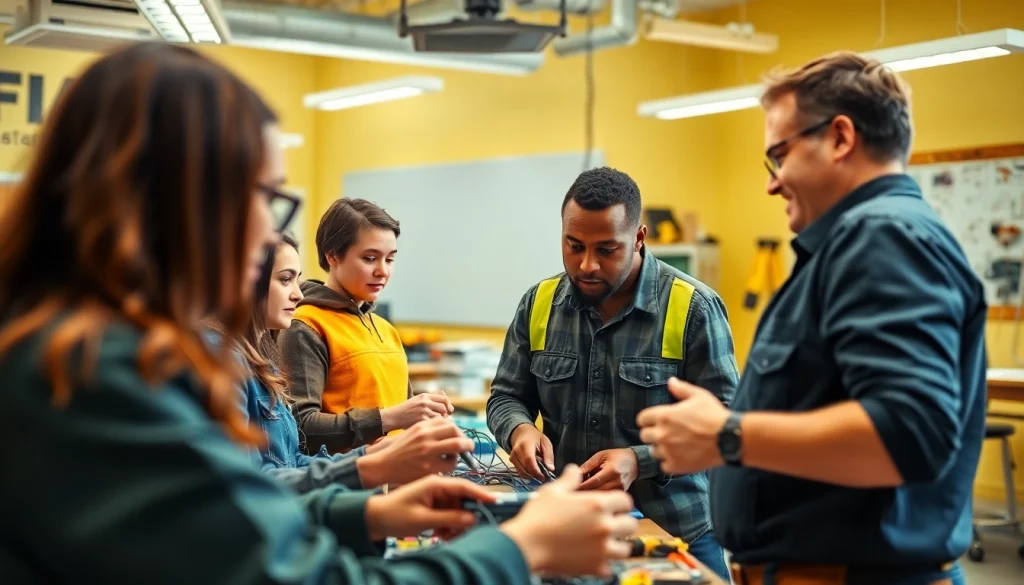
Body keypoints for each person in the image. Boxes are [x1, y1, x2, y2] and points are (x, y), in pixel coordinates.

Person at [0, 42, 639, 584]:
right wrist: (519, 549)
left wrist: (365, 511)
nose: (270, 230)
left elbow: (229, 514)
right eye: (266, 197)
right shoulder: (93, 374)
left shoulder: (86, 347)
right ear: (181, 201)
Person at [637, 52, 986, 585]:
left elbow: (911, 431)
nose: (772, 184)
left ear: (841, 138)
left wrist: (728, 435)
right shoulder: (853, 244)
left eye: (780, 155)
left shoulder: (882, 236)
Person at [486, 166, 740, 580]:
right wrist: (519, 431)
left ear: (639, 238)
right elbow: (506, 396)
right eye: (574, 246)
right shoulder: (539, 303)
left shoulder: (694, 309)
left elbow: (724, 427)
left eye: (606, 250)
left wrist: (640, 461)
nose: (587, 265)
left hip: (675, 533)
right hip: (568, 530)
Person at [219, 234, 476, 492]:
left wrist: (371, 455)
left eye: (390, 259)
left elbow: (292, 462)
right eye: (285, 279)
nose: (297, 294)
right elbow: (248, 486)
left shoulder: (262, 358)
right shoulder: (228, 361)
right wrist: (371, 458)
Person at [280, 198, 453, 452]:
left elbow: (401, 415)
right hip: (348, 483)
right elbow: (300, 428)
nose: (382, 271)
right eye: (370, 258)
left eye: (390, 259)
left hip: (400, 480)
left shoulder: (386, 330)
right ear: (332, 256)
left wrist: (425, 418)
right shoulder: (306, 325)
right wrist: (388, 418)